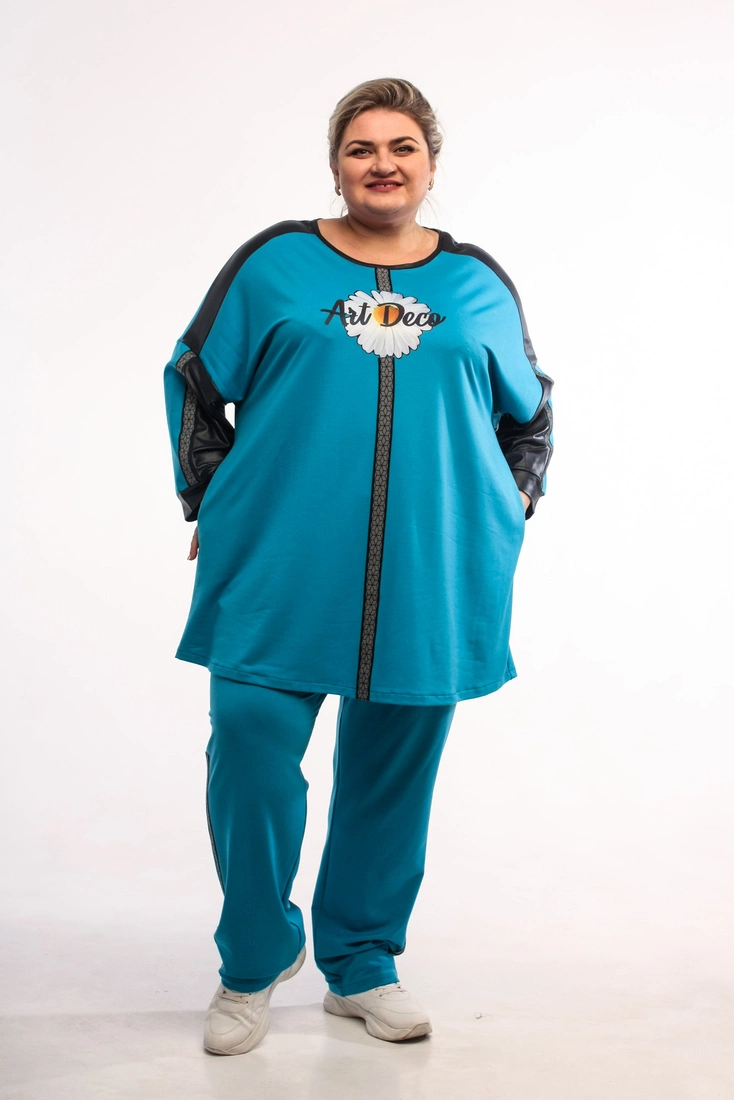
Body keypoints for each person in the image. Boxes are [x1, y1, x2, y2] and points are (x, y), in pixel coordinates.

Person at [163, 77, 553, 1056]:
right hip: (280, 557)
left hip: (433, 566)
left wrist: (507, 507)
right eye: (361, 148)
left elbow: (530, 409)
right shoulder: (275, 264)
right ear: (335, 165)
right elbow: (195, 377)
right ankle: (254, 958)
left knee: (391, 772)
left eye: (401, 147)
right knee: (250, 743)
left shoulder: (475, 282)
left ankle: (362, 961)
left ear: (430, 162)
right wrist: (207, 495)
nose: (382, 164)